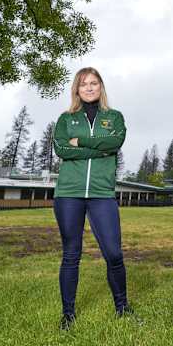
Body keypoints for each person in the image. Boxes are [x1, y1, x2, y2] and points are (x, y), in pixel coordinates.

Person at [52, 67, 133, 330]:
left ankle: (122, 308)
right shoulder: (66, 119)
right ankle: (68, 315)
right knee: (71, 255)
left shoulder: (115, 117)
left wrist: (81, 142)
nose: (89, 87)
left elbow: (115, 142)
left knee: (114, 253)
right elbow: (62, 149)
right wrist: (98, 149)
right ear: (76, 89)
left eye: (94, 83)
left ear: (101, 87)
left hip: (101, 194)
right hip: (69, 194)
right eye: (83, 84)